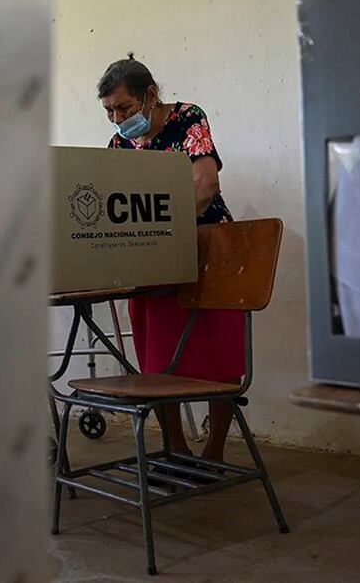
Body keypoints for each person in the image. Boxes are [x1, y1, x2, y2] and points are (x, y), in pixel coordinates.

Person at [98, 52, 243, 462]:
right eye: (109, 110)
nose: (116, 118)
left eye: (124, 107)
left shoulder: (187, 119)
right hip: (153, 258)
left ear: (150, 95)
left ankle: (214, 451)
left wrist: (163, 230)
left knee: (220, 351)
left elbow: (205, 186)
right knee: (159, 356)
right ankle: (175, 447)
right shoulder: (119, 143)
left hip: (209, 245)